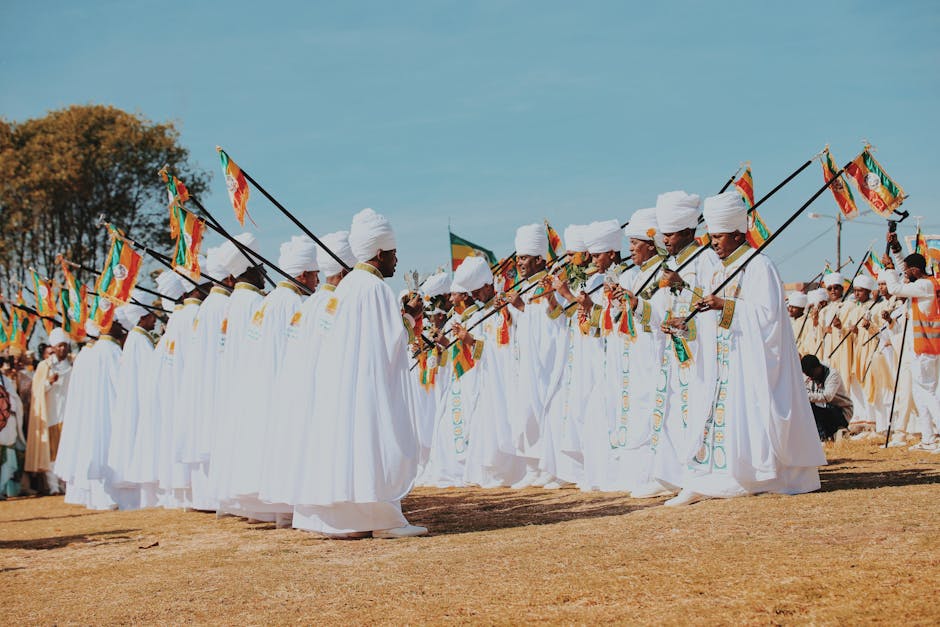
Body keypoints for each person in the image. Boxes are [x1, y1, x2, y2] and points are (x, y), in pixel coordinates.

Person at [665, 191, 825, 506]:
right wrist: (687, 322)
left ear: (738, 234)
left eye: (719, 237)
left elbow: (768, 318)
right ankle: (705, 478)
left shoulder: (759, 266)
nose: (713, 243)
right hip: (720, 361)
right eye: (711, 236)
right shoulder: (717, 270)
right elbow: (709, 315)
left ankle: (750, 477)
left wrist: (725, 305)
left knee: (747, 417)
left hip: (748, 361)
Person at [291, 208, 426, 538]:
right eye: (393, 253)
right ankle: (382, 520)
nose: (396, 260)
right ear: (379, 253)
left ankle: (346, 520)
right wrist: (410, 317)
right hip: (367, 384)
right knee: (370, 442)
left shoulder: (348, 286)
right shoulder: (375, 288)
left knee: (347, 446)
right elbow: (391, 343)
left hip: (343, 382)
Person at [882, 236, 940, 452]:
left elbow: (895, 288)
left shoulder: (924, 286)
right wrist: (896, 250)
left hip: (925, 347)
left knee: (928, 393)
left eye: (907, 271)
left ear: (915, 270)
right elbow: (906, 270)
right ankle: (928, 438)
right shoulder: (928, 282)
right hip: (926, 347)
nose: (904, 273)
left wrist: (889, 269)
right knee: (920, 393)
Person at [106, 294, 157, 509]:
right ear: (143, 316)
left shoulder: (135, 339)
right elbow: (151, 374)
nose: (155, 318)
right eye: (152, 315)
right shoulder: (140, 340)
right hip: (142, 400)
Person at [25, 327, 72, 494]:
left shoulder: (71, 365)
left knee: (67, 449)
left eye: (65, 345)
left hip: (68, 413)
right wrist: (49, 382)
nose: (63, 349)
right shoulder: (44, 366)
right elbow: (36, 391)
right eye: (59, 346)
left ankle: (66, 484)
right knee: (52, 451)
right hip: (51, 414)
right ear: (53, 347)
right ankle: (53, 486)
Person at [801, 354, 852, 440]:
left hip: (841, 412)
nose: (810, 378)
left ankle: (826, 436)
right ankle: (823, 436)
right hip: (826, 412)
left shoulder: (833, 375)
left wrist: (805, 395)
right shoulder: (810, 377)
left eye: (811, 374)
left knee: (819, 404)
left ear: (817, 368)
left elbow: (827, 397)